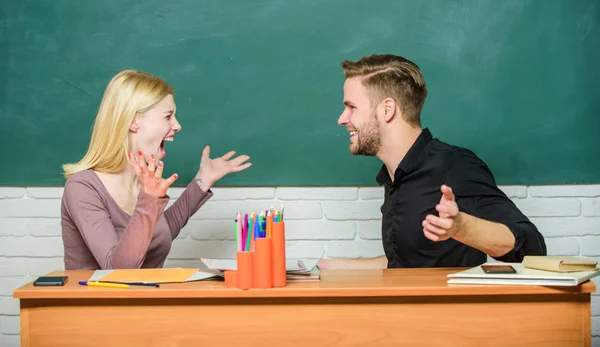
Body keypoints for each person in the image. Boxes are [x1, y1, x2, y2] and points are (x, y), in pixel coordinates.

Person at [319, 54, 546, 269]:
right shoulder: (395, 176)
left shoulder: (454, 166)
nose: (342, 119)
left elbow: (533, 248)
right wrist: (324, 267)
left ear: (387, 109)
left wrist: (463, 228)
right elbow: (404, 264)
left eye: (352, 107)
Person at [61, 70, 251, 270]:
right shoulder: (83, 188)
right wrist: (149, 201)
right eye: (168, 116)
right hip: (97, 301)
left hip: (146, 298)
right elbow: (119, 271)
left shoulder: (143, 183)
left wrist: (202, 181)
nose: (177, 126)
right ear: (134, 122)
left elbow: (159, 233)